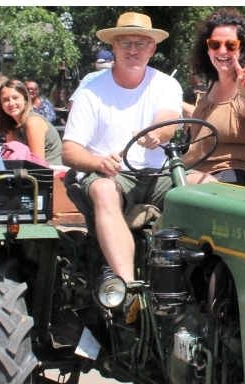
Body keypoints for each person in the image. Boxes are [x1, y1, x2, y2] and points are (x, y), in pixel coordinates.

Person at [62, 12, 182, 290]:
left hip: (158, 174)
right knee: (104, 191)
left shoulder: (165, 84)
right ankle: (128, 290)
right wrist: (99, 162)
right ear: (113, 46)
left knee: (206, 187)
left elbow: (167, 122)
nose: (133, 50)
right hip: (112, 175)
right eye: (126, 43)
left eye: (141, 44)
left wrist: (157, 133)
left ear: (152, 49)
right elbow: (69, 152)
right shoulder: (92, 92)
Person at [182, 8, 245, 189]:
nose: (222, 51)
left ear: (242, 50)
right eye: (215, 44)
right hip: (204, 175)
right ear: (207, 50)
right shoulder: (213, 85)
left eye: (230, 45)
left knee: (182, 185)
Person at [0, 78, 64, 166]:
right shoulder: (11, 125)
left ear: (25, 99)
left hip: (52, 175)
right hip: (27, 174)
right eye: (5, 100)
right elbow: (11, 159)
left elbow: (37, 165)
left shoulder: (33, 122)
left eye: (15, 98)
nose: (11, 103)